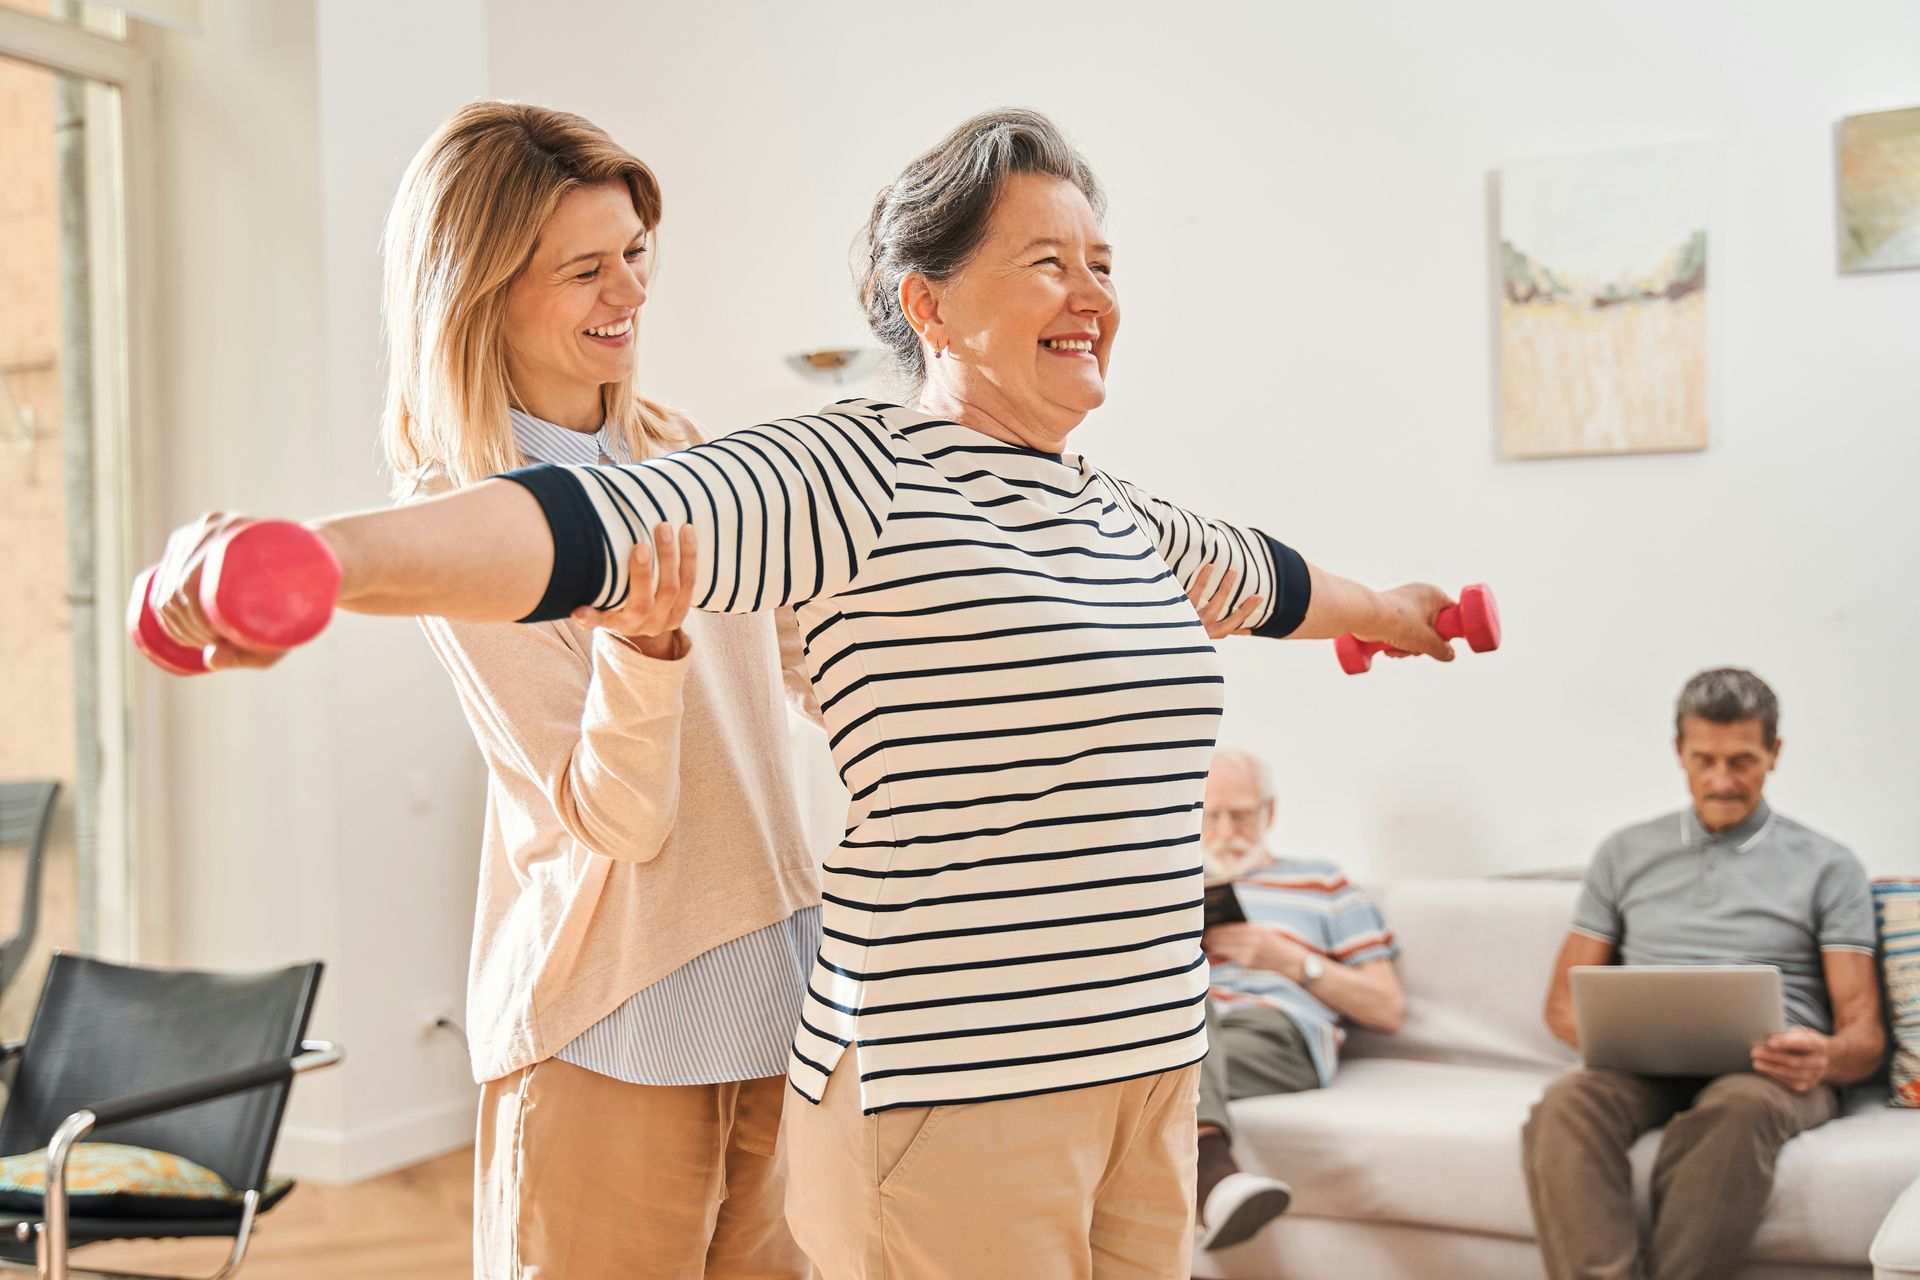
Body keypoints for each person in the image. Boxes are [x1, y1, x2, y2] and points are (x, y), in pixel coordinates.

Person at [144, 108, 1468, 1277]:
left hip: (858, 984)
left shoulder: (1080, 505)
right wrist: (311, 563)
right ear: (931, 306)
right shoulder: (798, 474)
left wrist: (1389, 616)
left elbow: (1259, 577)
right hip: (652, 1002)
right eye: (1047, 262)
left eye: (1104, 263)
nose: (627, 293)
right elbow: (558, 546)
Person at [380, 101, 829, 1278]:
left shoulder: (684, 447)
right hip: (612, 1010)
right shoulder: (467, 519)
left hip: (776, 977)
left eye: (634, 253)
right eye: (586, 268)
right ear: (483, 290)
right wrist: (644, 647)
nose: (627, 291)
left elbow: (799, 658)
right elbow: (618, 818)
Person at [1523, 667, 1884, 1280]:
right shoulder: (1624, 853)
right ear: (1678, 753)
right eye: (1705, 760)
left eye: (1742, 761)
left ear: (1775, 753)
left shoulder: (1829, 865)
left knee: (1736, 1110)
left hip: (1768, 1076)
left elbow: (1865, 1037)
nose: (1722, 781)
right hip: (1641, 1068)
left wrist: (1823, 1057)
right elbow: (1561, 1006)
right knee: (1565, 1105)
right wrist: (1621, 1038)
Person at [1191, 746, 1405, 1251]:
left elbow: (1387, 1006)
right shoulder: (1170, 888)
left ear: (1270, 812)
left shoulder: (1323, 883)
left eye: (1240, 815)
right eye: (1211, 815)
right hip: (1197, 1026)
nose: (1226, 832)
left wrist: (1289, 960)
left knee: (1171, 1039)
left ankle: (1209, 1168)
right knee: (1177, 1003)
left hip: (1276, 1034)